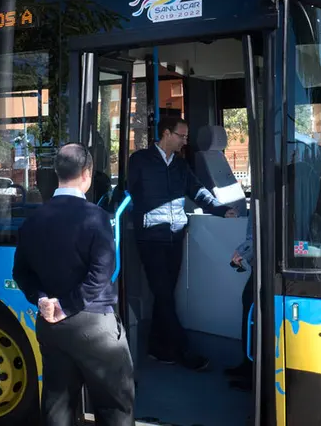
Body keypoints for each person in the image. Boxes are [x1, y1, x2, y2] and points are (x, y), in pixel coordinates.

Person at [12, 142, 134, 426]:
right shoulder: (96, 217)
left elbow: (20, 272)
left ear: (57, 173)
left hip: (50, 325)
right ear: (87, 174)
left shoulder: (32, 221)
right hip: (94, 325)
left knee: (57, 405)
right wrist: (67, 306)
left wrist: (42, 299)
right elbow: (102, 272)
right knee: (115, 405)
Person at [127, 117, 237, 371]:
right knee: (164, 294)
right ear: (166, 134)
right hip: (150, 237)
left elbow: (197, 191)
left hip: (175, 236)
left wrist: (222, 210)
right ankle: (183, 350)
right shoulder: (140, 160)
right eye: (182, 136)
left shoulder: (180, 165)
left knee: (163, 295)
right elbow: (131, 191)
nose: (185, 141)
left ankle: (156, 347)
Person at [226, 217, 255, 391]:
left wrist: (244, 251)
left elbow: (263, 226)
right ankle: (249, 364)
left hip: (267, 261)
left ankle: (253, 369)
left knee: (252, 309)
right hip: (265, 258)